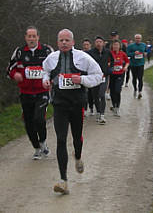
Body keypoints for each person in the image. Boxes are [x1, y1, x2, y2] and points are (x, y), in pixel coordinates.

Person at [42, 29, 102, 195]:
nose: (64, 43)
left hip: (77, 104)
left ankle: (78, 156)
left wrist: (82, 79)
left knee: (77, 138)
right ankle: (63, 181)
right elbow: (44, 71)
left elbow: (98, 75)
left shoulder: (84, 58)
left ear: (73, 42)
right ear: (57, 42)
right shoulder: (51, 58)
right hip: (60, 105)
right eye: (61, 40)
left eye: (67, 40)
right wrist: (46, 81)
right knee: (61, 139)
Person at [7, 26, 53, 160]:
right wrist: (14, 75)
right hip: (25, 92)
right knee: (28, 122)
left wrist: (50, 80)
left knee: (39, 118)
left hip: (42, 91)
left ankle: (43, 142)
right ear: (25, 38)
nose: (32, 39)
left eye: (34, 36)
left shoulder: (47, 50)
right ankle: (37, 148)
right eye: (29, 36)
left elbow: (56, 67)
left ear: (38, 37)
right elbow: (9, 69)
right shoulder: (19, 52)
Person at [88, 36, 114, 124]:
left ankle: (102, 115)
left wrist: (109, 70)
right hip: (94, 77)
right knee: (95, 95)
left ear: (103, 43)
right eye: (97, 42)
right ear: (95, 44)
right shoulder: (90, 53)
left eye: (100, 42)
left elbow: (112, 61)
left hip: (104, 76)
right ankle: (98, 112)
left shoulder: (107, 52)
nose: (98, 43)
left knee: (101, 94)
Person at [110, 40, 129, 116]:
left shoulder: (123, 53)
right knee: (112, 91)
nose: (115, 46)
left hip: (120, 74)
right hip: (111, 74)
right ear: (112, 46)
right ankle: (114, 105)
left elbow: (127, 61)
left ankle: (117, 107)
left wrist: (125, 67)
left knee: (117, 91)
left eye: (117, 45)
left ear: (119, 46)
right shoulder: (110, 53)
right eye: (114, 45)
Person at [127, 34, 147, 99]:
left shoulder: (144, 45)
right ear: (134, 39)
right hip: (133, 64)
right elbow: (127, 54)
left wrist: (145, 53)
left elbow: (146, 51)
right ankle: (135, 89)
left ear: (141, 39)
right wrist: (134, 53)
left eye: (139, 38)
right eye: (136, 38)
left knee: (140, 78)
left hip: (141, 64)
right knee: (134, 78)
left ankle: (140, 92)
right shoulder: (130, 46)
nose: (138, 39)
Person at [82, 38, 94, 117]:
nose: (86, 46)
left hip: (92, 75)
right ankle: (85, 109)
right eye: (84, 45)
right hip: (83, 75)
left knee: (91, 93)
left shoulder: (93, 53)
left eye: (87, 45)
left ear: (90, 45)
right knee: (84, 94)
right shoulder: (80, 53)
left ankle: (91, 108)